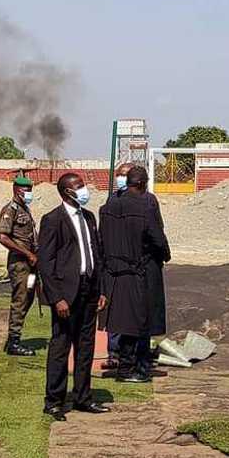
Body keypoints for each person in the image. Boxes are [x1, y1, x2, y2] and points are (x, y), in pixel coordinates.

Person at [38, 173, 109, 421]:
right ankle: (54, 401)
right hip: (66, 294)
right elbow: (45, 263)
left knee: (86, 346)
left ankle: (82, 397)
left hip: (89, 290)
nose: (83, 190)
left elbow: (96, 254)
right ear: (66, 192)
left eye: (82, 185)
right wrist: (56, 298)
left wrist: (101, 289)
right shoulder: (52, 220)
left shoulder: (89, 217)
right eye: (78, 187)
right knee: (61, 346)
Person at [100, 166, 171, 383]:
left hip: (114, 272)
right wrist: (164, 255)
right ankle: (135, 367)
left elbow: (102, 240)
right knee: (141, 322)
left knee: (123, 321)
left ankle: (124, 364)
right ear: (142, 184)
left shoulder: (108, 207)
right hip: (141, 269)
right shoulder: (145, 207)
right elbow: (157, 238)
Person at [0, 175, 39, 356]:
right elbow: (3, 238)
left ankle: (13, 338)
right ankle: (14, 341)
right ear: (16, 190)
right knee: (20, 300)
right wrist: (27, 253)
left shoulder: (25, 209)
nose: (28, 193)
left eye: (30, 190)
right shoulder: (10, 210)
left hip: (31, 265)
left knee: (28, 296)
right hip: (20, 264)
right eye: (25, 190)